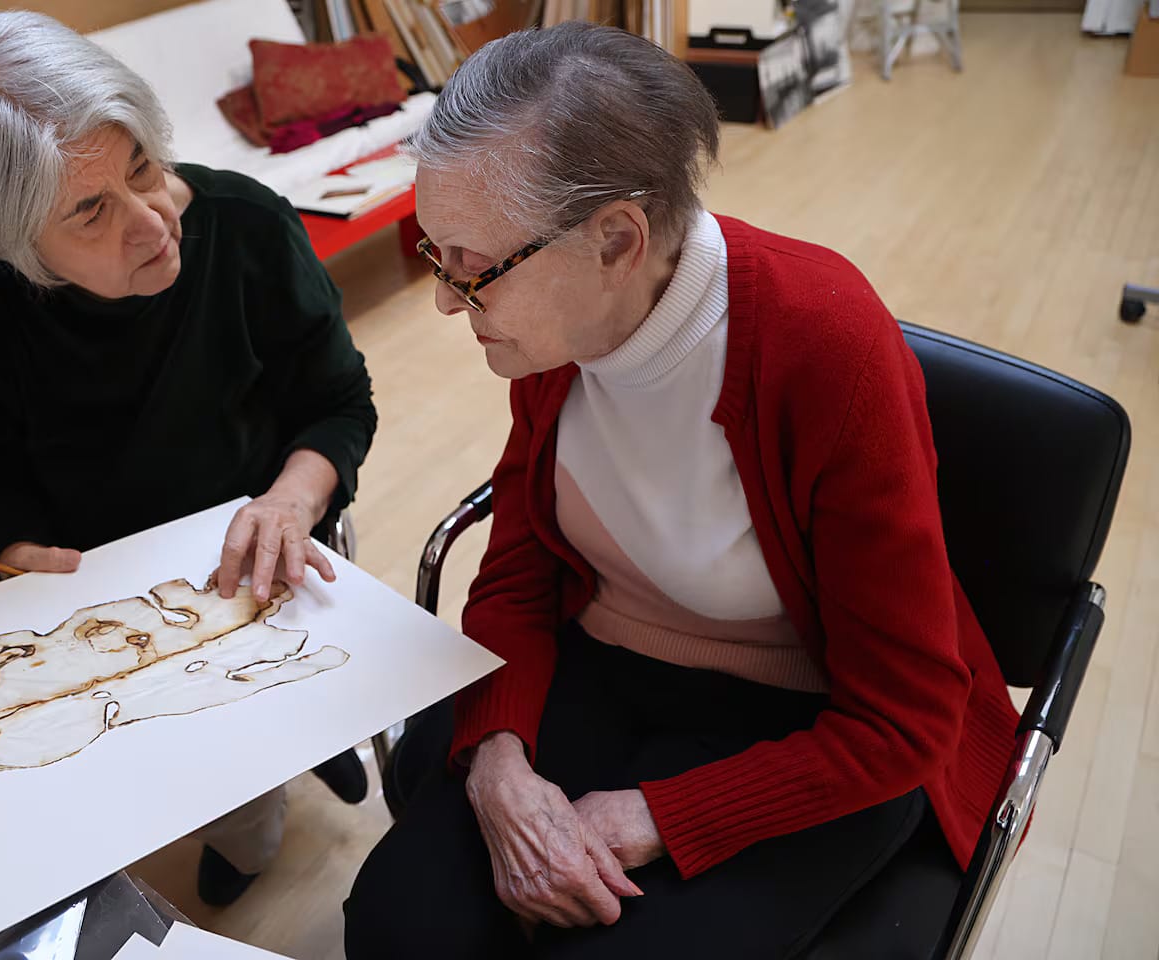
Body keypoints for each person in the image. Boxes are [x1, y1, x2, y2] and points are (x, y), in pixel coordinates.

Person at [346, 22, 1018, 959]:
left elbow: (904, 718)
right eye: (436, 254)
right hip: (604, 663)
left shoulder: (822, 345)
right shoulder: (551, 333)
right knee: (396, 927)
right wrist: (501, 767)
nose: (447, 302)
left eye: (473, 268)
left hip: (812, 723)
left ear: (618, 239)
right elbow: (517, 578)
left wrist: (651, 817)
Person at [0, 10, 378, 908]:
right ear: (12, 241)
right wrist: (23, 559)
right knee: (175, 765)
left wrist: (292, 500)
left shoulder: (245, 224)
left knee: (265, 733)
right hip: (104, 598)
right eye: (90, 212)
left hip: (258, 542)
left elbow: (338, 400)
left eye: (146, 168)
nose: (152, 225)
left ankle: (277, 790)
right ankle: (253, 803)